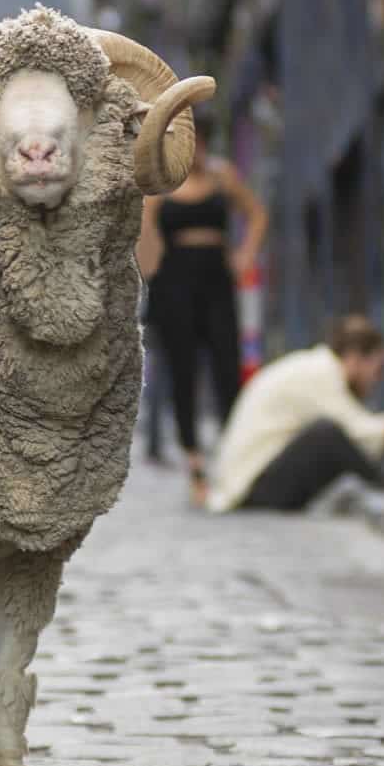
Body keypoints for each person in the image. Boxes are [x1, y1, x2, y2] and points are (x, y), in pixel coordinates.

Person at [136, 108, 268, 505]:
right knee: (183, 373)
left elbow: (257, 215)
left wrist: (246, 254)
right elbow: (144, 242)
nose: (195, 151)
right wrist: (146, 279)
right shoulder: (161, 186)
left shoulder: (222, 176)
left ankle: (235, 458)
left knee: (228, 366)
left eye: (201, 141)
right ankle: (194, 464)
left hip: (217, 281)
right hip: (175, 284)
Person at [207, 315, 384, 514]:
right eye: (377, 370)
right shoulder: (322, 374)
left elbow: (373, 437)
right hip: (249, 488)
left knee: (340, 438)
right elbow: (370, 434)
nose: (376, 381)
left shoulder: (318, 368)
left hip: (253, 481)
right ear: (355, 358)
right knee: (328, 434)